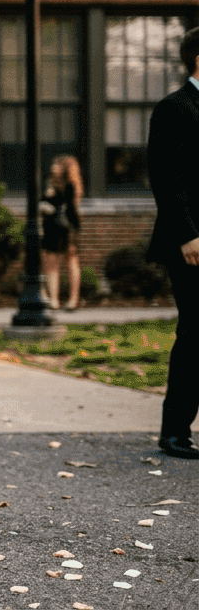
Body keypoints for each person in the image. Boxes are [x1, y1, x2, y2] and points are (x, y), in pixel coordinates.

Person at [145, 25, 199, 460]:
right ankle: (175, 430)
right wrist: (187, 234)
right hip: (192, 243)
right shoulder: (174, 108)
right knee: (195, 332)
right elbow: (167, 178)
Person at [41, 154, 83, 312]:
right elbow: (43, 202)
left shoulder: (71, 185)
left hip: (67, 227)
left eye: (57, 165)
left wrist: (54, 194)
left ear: (65, 168)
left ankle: (73, 299)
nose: (53, 167)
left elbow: (71, 208)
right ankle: (54, 300)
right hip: (51, 226)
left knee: (71, 260)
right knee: (51, 262)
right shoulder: (49, 183)